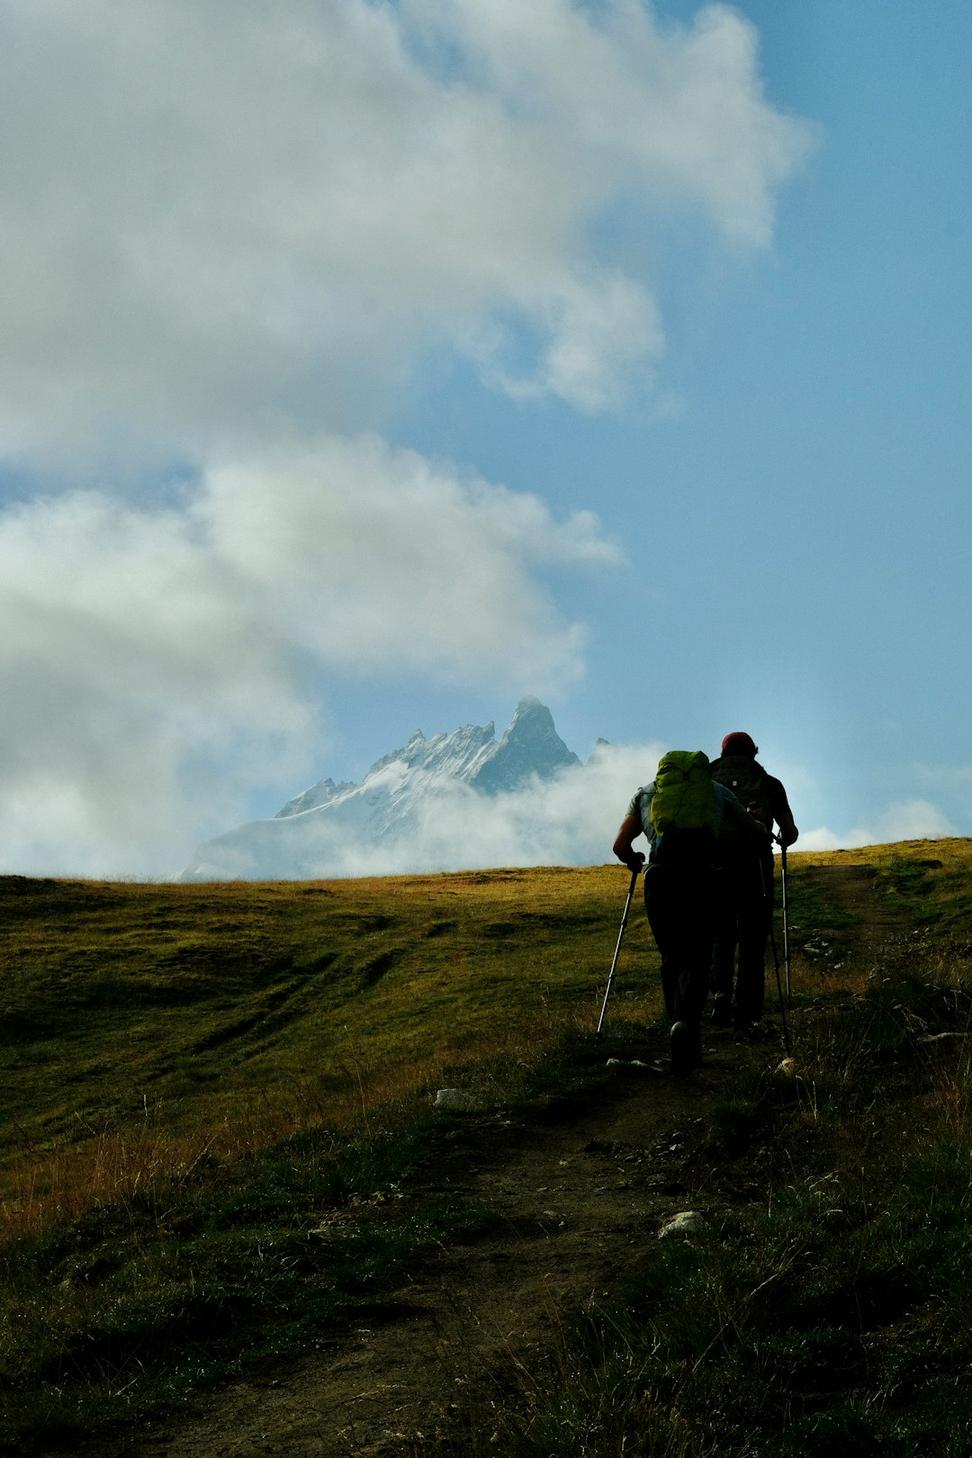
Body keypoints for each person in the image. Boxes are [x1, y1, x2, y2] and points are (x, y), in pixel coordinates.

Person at [612, 750, 768, 1075]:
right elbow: (753, 833)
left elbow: (620, 845)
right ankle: (688, 1026)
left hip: (660, 880)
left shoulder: (644, 794)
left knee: (671, 957)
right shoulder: (716, 791)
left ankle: (675, 1024)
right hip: (703, 877)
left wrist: (634, 860)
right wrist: (759, 825)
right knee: (699, 957)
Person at [708, 732, 798, 1037]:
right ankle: (748, 1013)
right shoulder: (768, 782)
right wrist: (783, 838)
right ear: (753, 753)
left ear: (723, 752)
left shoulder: (707, 778)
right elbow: (790, 830)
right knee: (753, 939)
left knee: (721, 933)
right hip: (755, 866)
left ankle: (720, 996)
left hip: (715, 866)